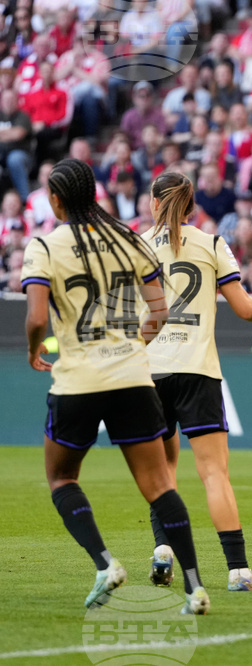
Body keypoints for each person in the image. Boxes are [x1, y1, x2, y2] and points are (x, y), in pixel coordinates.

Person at [19, 158, 210, 613]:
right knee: (160, 484)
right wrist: (130, 343)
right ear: (95, 195)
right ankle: (195, 588)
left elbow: (37, 317)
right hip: (131, 378)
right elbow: (160, 312)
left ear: (57, 199)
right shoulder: (129, 239)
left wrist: (33, 350)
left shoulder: (45, 245)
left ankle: (105, 563)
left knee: (62, 477)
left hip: (78, 380)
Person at [141, 171, 252, 592]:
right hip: (197, 370)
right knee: (214, 472)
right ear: (192, 207)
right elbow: (245, 309)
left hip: (148, 373)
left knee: (162, 471)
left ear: (153, 203)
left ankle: (162, 551)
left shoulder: (136, 246)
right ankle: (238, 571)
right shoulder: (212, 244)